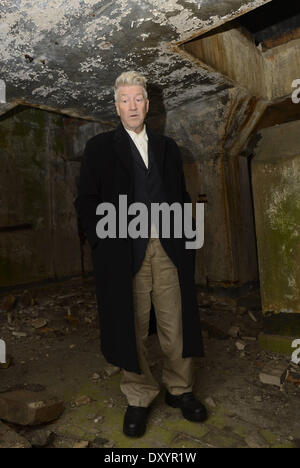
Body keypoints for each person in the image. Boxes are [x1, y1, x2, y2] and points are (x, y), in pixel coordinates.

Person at [75, 71, 207, 438]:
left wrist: (186, 241)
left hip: (166, 247)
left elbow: (179, 197)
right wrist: (102, 244)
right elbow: (86, 201)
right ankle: (139, 395)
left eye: (138, 99)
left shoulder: (167, 149)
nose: (132, 106)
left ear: (147, 105)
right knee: (129, 322)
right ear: (116, 107)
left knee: (175, 320)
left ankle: (180, 390)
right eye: (125, 100)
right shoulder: (100, 148)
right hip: (122, 250)